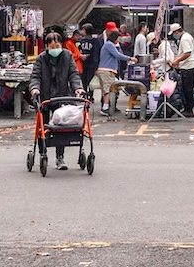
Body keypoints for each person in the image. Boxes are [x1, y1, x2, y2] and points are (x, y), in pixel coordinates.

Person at [28, 31, 85, 170]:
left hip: (61, 95)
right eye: (52, 47)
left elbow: (73, 74)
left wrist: (78, 88)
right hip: (45, 96)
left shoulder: (67, 56)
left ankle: (60, 157)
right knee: (43, 127)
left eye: (57, 46)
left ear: (62, 45)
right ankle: (43, 153)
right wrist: (34, 89)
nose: (55, 49)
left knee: (61, 128)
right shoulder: (41, 58)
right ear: (46, 47)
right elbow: (35, 76)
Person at [95, 29, 137, 116]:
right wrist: (130, 58)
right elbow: (117, 55)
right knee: (108, 90)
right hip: (106, 71)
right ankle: (105, 108)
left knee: (110, 89)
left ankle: (109, 106)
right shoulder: (109, 45)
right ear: (115, 38)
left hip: (106, 70)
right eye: (118, 38)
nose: (119, 40)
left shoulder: (108, 45)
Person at [168, 23, 194, 117]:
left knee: (187, 90)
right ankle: (187, 109)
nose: (174, 36)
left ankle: (189, 110)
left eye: (174, 34)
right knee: (186, 89)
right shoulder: (187, 36)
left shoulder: (185, 38)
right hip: (188, 66)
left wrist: (177, 61)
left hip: (188, 67)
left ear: (176, 32)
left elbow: (187, 53)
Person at [77, 24, 101, 97]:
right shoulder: (82, 40)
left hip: (92, 63)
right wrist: (80, 55)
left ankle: (90, 95)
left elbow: (96, 52)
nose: (82, 32)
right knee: (83, 79)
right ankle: (85, 94)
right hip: (83, 63)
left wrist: (96, 65)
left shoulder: (94, 40)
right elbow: (78, 49)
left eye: (83, 30)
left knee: (90, 80)